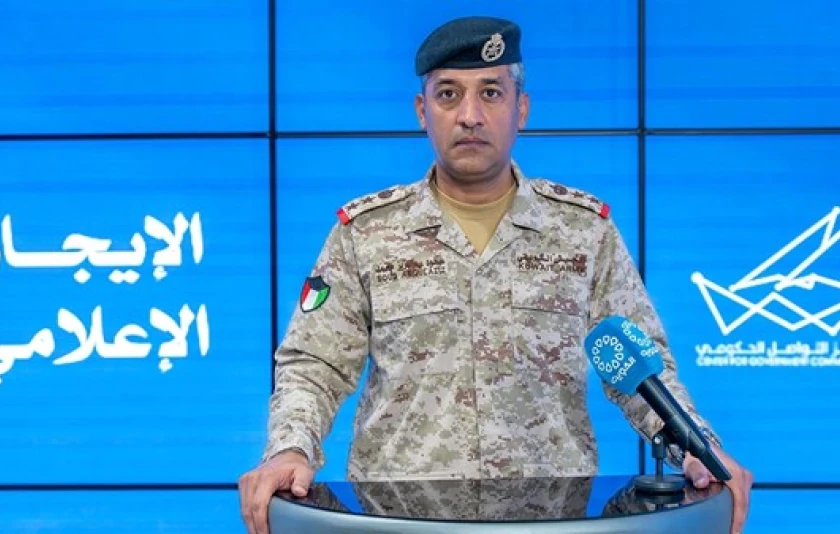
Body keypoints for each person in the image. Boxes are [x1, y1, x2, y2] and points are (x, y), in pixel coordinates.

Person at [238, 15, 753, 534]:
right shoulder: (365, 233)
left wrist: (700, 449)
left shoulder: (583, 231)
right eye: (448, 95)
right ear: (421, 111)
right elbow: (315, 365)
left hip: (551, 521)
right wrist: (289, 448)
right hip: (400, 522)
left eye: (491, 93)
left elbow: (641, 370)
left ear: (521, 108)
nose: (470, 116)